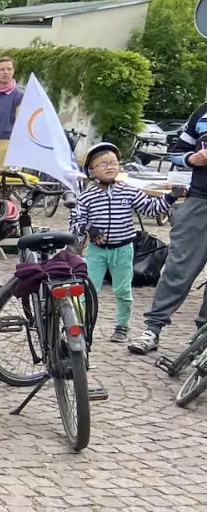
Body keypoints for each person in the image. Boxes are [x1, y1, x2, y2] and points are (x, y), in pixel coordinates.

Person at [69, 143, 177, 344]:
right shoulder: (86, 196)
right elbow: (74, 221)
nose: (109, 167)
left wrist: (171, 197)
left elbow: (151, 208)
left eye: (113, 163)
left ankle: (122, 326)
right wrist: (89, 228)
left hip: (124, 249)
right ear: (91, 170)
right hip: (96, 251)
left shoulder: (128, 191)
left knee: (123, 290)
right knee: (88, 289)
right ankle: (81, 325)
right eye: (102, 164)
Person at [129, 100, 207, 355]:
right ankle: (153, 329)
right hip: (200, 201)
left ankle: (202, 341)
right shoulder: (202, 112)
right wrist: (192, 158)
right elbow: (176, 152)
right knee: (178, 269)